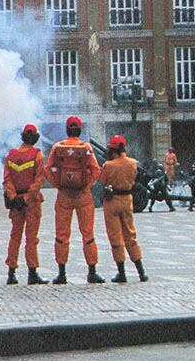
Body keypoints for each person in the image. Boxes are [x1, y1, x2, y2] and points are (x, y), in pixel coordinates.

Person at [45, 115, 104, 285]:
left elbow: (48, 170)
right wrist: (86, 185)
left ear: (66, 129)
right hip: (83, 195)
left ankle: (62, 273)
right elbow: (96, 170)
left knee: (62, 234)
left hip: (64, 195)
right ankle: (92, 271)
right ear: (79, 130)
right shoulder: (85, 147)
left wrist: (59, 185)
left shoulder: (58, 147)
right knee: (88, 234)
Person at [99, 135, 149, 283]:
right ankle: (141, 271)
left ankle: (121, 272)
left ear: (112, 149)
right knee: (130, 234)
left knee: (116, 237)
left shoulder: (108, 165)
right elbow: (133, 179)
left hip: (112, 200)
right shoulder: (133, 163)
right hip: (127, 199)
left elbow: (102, 180)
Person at [3, 124, 48, 285]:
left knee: (15, 236)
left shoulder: (12, 155)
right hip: (32, 202)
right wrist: (27, 198)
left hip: (15, 203)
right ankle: (32, 273)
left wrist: (14, 197)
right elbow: (38, 180)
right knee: (31, 238)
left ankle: (11, 273)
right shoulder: (37, 155)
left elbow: (7, 179)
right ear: (35, 138)